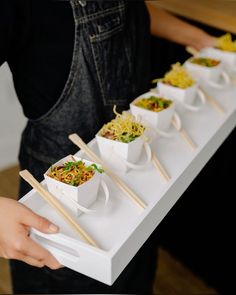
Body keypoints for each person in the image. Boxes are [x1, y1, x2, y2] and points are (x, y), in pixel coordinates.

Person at [0, 0, 216, 293]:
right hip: (61, 188)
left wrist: (201, 40)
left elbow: (130, 10)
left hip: (134, 169)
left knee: (135, 278)